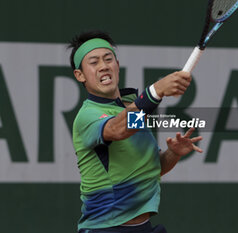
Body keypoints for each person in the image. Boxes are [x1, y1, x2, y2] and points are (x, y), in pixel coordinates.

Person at [69, 30, 203, 233]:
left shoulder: (129, 107)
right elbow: (118, 129)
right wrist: (156, 91)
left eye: (108, 59)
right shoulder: (87, 116)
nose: (104, 66)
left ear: (117, 65)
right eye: (94, 62)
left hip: (143, 227)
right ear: (80, 75)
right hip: (105, 229)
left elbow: (150, 169)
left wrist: (173, 153)